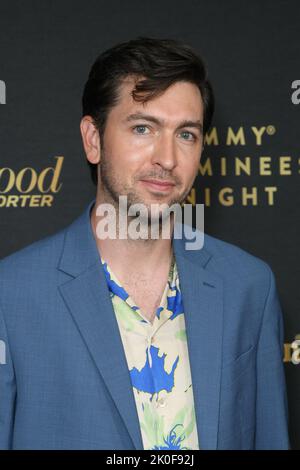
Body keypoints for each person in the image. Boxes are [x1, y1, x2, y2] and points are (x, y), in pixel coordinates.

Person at [0, 37, 290, 450]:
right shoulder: (11, 295)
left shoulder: (248, 286)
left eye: (186, 134)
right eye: (142, 128)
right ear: (93, 139)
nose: (167, 158)